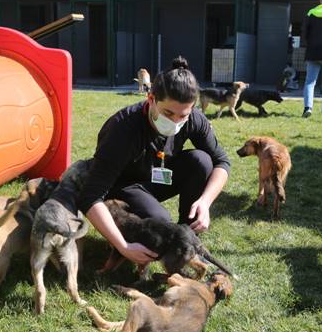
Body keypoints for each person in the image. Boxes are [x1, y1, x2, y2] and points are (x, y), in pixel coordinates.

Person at [78, 56, 231, 267]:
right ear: (151, 99)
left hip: (156, 176)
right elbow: (90, 197)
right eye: (168, 113)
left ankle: (186, 236)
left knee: (202, 161)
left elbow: (222, 162)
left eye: (183, 116)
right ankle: (147, 239)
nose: (175, 122)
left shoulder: (195, 119)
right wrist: (124, 246)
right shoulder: (122, 129)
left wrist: (205, 202)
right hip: (124, 185)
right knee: (159, 222)